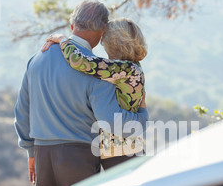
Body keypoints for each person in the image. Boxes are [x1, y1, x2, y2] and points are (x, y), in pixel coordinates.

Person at [14, 0, 148, 186]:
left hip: (42, 153)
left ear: (72, 25)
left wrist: (30, 152)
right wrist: (143, 117)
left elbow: (22, 111)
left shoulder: (37, 59)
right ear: (103, 30)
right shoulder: (98, 71)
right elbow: (111, 121)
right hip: (79, 157)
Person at [41, 17, 147, 170]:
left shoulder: (123, 69)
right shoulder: (133, 67)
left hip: (121, 152)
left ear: (113, 42)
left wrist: (63, 39)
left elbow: (79, 61)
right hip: (127, 149)